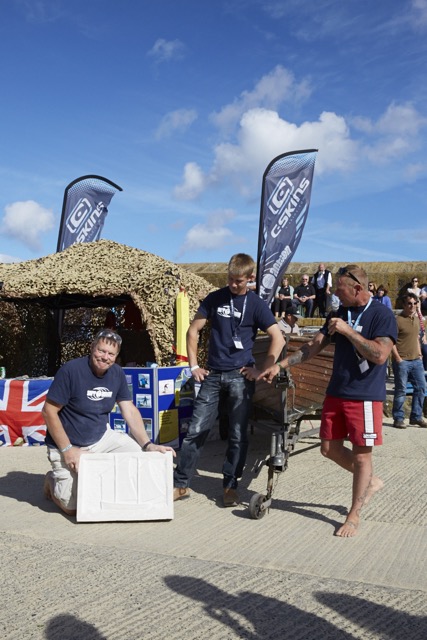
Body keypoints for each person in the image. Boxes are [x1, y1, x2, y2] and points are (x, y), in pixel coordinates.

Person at [259, 265, 397, 538]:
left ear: (358, 288)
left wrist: (347, 331)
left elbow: (380, 355)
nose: (335, 296)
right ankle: (370, 482)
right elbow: (313, 347)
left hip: (365, 396)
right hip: (337, 392)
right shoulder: (337, 313)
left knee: (362, 455)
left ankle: (354, 514)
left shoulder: (381, 314)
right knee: (328, 449)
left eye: (340, 291)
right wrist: (281, 365)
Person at [173, 253, 284, 507]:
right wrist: (194, 366)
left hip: (240, 376)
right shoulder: (215, 298)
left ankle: (230, 486)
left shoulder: (255, 304)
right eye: (230, 280)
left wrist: (263, 369)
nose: (234, 285)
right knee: (196, 430)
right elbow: (193, 331)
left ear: (250, 278)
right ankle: (181, 484)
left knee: (237, 434)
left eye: (239, 281)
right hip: (212, 374)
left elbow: (278, 338)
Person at [42, 329, 175, 516]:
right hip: (66, 445)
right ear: (92, 348)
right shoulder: (70, 371)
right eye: (101, 351)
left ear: (116, 356)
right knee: (72, 507)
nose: (105, 357)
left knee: (138, 456)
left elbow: (128, 409)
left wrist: (148, 444)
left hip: (101, 438)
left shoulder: (117, 374)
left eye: (111, 354)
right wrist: (68, 450)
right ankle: (52, 481)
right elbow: (48, 412)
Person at [391, 294, 427, 429]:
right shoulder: (397, 320)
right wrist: (398, 358)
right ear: (404, 305)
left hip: (416, 360)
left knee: (421, 387)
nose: (412, 306)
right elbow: (391, 341)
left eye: (414, 303)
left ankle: (416, 417)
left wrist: (419, 354)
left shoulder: (417, 319)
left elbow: (417, 338)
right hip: (402, 360)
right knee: (401, 390)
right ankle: (398, 418)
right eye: (409, 303)